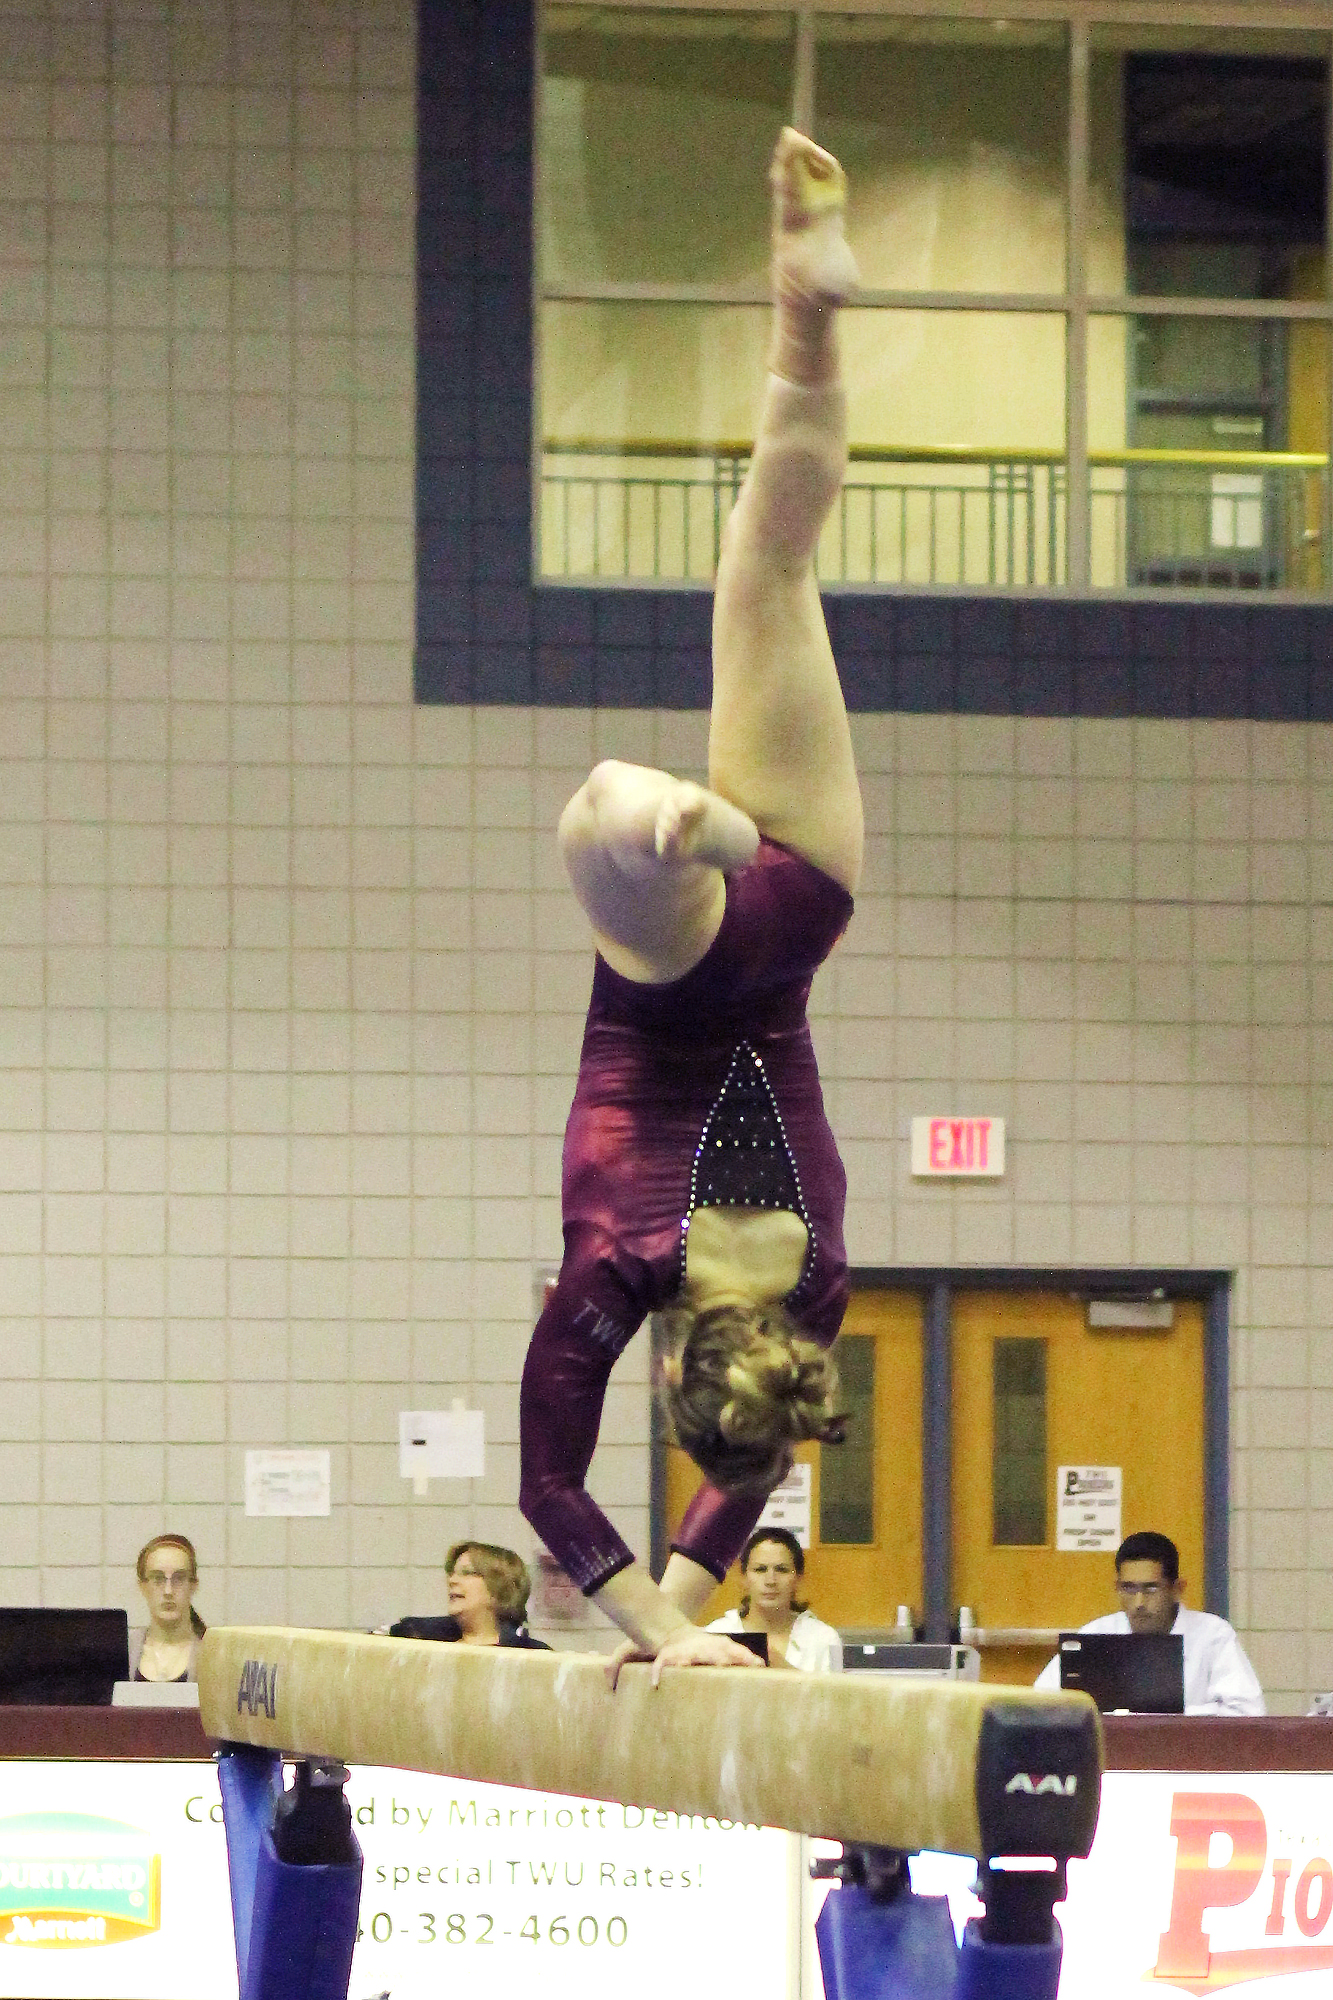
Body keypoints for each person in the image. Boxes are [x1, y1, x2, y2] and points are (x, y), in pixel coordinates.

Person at [520, 128, 863, 1676]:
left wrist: (680, 1619)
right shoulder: (613, 1268)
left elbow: (756, 1465)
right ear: (672, 1370)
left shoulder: (818, 1292)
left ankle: (808, 313)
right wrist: (653, 1623)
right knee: (601, 809)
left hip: (798, 909)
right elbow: (546, 1486)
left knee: (770, 572)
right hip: (683, 967)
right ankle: (670, 822)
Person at [1034, 1530, 1265, 1716]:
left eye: (1151, 1589)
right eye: (1128, 1588)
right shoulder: (1096, 1634)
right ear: (1117, 1588)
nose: (1139, 1603)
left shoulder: (1212, 1635)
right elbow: (1040, 1704)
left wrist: (1166, 1717)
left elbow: (1248, 1713)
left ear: (1177, 1589)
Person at [706, 1527, 842, 1670]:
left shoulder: (828, 1639)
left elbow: (842, 1692)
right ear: (744, 1577)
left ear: (798, 1578)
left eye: (782, 1570)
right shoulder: (715, 1635)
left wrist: (786, 1672)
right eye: (760, 1569)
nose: (770, 1581)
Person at [388, 1543, 550, 1650]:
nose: (452, 1580)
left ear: (500, 1590)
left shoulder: (534, 1656)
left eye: (467, 1573)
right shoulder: (413, 1640)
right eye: (452, 1573)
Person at [130, 1533, 206, 1683]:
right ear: (143, 1586)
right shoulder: (123, 1653)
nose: (168, 1591)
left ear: (193, 1585)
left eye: (179, 1578)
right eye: (158, 1578)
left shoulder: (212, 1654)